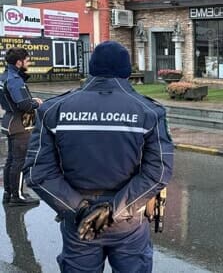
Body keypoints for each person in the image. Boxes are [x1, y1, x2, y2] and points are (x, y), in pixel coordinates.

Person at [23, 41, 174, 272]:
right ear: (126, 72)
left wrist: (81, 210)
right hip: (128, 221)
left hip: (78, 221)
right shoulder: (149, 112)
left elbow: (36, 172)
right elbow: (159, 171)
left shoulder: (54, 110)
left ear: (92, 69)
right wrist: (115, 210)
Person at [0, 48, 43, 206]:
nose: (29, 63)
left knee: (11, 160)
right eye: (27, 60)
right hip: (20, 124)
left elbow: (12, 99)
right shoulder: (15, 79)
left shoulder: (4, 76)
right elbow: (24, 104)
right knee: (19, 161)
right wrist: (35, 103)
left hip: (9, 120)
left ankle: (8, 193)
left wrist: (31, 99)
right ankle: (17, 197)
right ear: (19, 62)